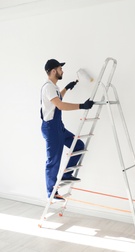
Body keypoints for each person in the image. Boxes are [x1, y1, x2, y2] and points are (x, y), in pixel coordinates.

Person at [40, 59, 94, 201]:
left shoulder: (54, 87)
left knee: (78, 145)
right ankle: (51, 192)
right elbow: (60, 105)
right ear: (53, 71)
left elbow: (57, 99)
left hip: (58, 126)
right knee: (53, 160)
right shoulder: (48, 87)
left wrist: (67, 88)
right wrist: (82, 106)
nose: (62, 71)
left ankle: (66, 174)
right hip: (51, 128)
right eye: (60, 69)